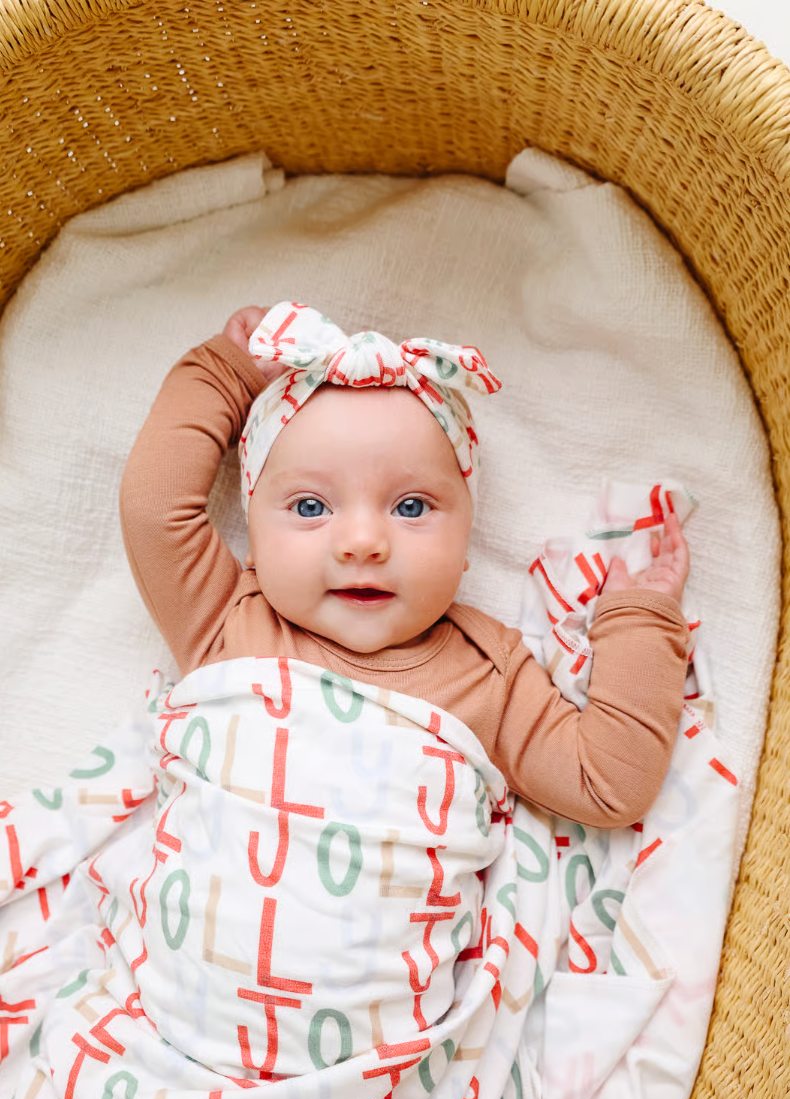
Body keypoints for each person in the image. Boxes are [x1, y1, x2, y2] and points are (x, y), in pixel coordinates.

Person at [120, 300, 690, 831]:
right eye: (311, 507)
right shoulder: (227, 621)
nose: (363, 543)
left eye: (411, 507)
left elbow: (607, 784)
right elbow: (154, 507)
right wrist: (227, 375)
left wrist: (639, 627)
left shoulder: (484, 676)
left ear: (465, 542)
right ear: (254, 543)